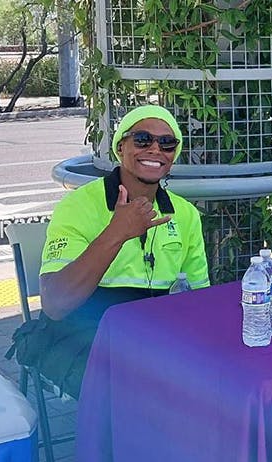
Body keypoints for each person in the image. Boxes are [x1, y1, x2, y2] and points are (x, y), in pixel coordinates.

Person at [28, 105, 210, 398]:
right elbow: (56, 302)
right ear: (120, 147)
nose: (154, 149)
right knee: (147, 389)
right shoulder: (78, 206)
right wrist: (117, 232)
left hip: (152, 335)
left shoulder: (185, 214)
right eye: (142, 139)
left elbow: (199, 298)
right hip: (84, 334)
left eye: (167, 143)